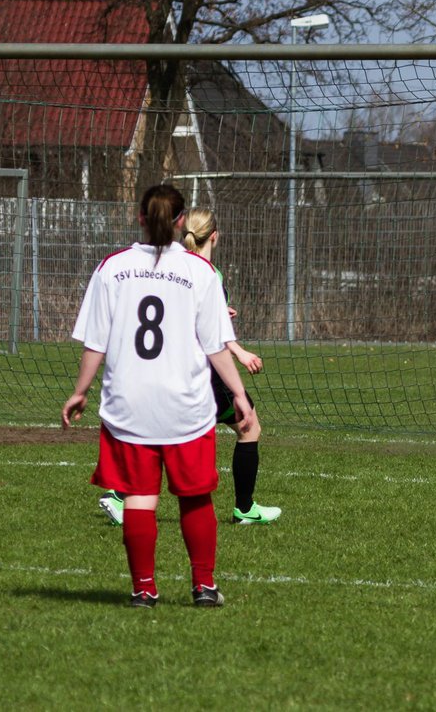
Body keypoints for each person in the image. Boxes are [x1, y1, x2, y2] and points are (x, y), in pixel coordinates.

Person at [63, 184, 257, 608]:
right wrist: (240, 396)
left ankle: (143, 589)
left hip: (128, 404)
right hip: (185, 405)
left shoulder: (112, 268)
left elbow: (94, 343)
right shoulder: (199, 272)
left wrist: (79, 392)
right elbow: (215, 347)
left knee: (139, 497)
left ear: (139, 218)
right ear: (181, 222)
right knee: (194, 496)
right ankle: (204, 587)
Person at [97, 207, 281, 527]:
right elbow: (208, 333)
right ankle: (244, 508)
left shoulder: (175, 265)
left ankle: (120, 495)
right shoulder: (207, 272)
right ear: (215, 236)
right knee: (248, 427)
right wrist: (239, 352)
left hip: (170, 367)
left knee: (167, 435)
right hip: (202, 373)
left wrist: (222, 313)